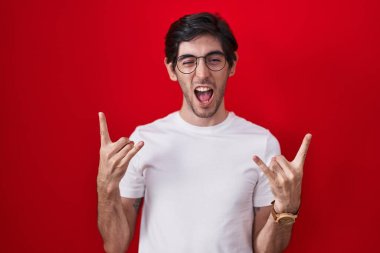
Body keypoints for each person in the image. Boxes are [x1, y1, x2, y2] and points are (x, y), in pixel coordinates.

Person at [97, 12, 312, 253]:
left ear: (232, 65)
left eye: (214, 60)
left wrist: (287, 207)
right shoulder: (143, 141)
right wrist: (105, 187)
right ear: (171, 69)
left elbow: (266, 250)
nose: (202, 74)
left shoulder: (261, 145)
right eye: (188, 62)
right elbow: (114, 246)